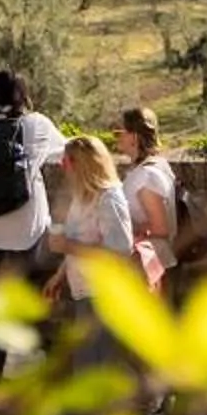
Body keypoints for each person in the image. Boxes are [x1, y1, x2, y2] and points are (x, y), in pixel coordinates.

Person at [0, 69, 65, 377]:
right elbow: (67, 149)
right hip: (25, 229)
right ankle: (19, 361)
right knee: (25, 295)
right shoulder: (37, 124)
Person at [43, 135, 139, 373]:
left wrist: (67, 247)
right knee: (87, 365)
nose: (63, 168)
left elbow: (119, 252)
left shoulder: (109, 199)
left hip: (103, 293)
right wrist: (60, 274)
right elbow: (78, 241)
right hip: (84, 290)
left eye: (66, 162)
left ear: (81, 164)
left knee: (95, 367)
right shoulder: (83, 195)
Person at [116, 106, 179, 282]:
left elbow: (160, 228)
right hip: (150, 264)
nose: (116, 136)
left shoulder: (147, 175)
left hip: (148, 269)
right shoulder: (154, 167)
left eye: (119, 132)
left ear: (134, 137)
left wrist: (122, 227)